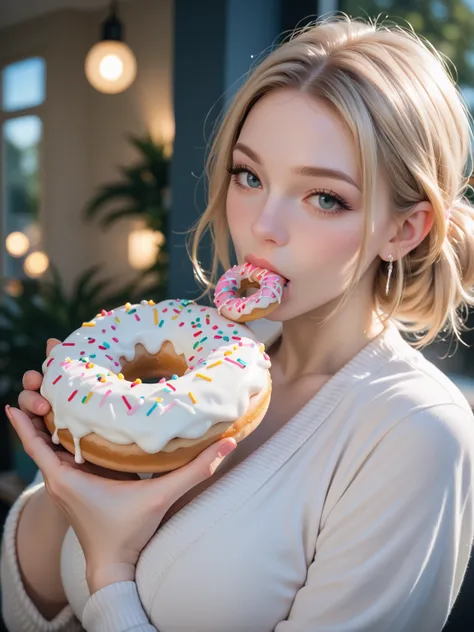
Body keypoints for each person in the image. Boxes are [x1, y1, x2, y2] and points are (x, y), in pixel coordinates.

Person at [3, 15, 474, 632]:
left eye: (324, 197)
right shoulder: (195, 366)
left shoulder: (417, 435)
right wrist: (81, 468)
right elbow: (19, 606)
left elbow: (97, 575)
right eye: (249, 176)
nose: (262, 226)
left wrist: (111, 571)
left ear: (402, 229)